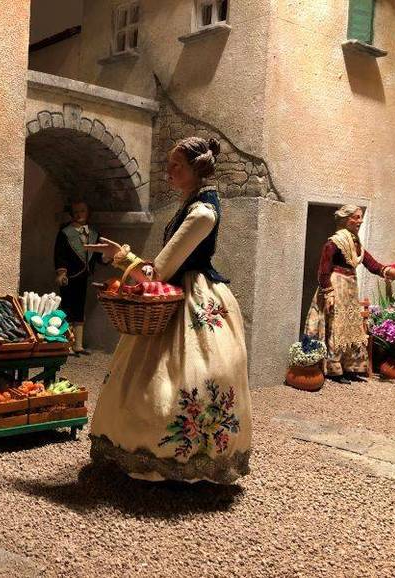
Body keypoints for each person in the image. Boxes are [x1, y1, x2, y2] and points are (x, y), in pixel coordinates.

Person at [85, 136, 251, 484]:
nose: (169, 171)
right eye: (170, 163)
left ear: (196, 169)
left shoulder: (202, 212)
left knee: (184, 376)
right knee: (148, 375)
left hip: (192, 296)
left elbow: (157, 272)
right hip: (178, 292)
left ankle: (183, 459)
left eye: (177, 165)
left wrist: (120, 257)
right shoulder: (191, 204)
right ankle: (139, 450)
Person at [303, 205, 395, 384]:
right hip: (336, 287)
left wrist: (391, 272)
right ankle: (334, 369)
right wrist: (328, 292)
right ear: (345, 219)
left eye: (361, 217)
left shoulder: (355, 243)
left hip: (350, 287)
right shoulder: (334, 243)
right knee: (337, 326)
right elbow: (323, 270)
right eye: (356, 217)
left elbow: (371, 263)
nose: (360, 221)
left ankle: (350, 367)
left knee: (351, 326)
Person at [54, 200, 106, 354]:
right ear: (71, 214)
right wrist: (61, 272)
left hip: (84, 276)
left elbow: (96, 255)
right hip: (69, 276)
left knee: (80, 307)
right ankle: (67, 343)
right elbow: (59, 255)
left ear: (88, 213)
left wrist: (106, 257)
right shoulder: (65, 233)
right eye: (76, 212)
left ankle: (78, 345)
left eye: (82, 211)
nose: (79, 214)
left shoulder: (94, 234)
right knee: (67, 308)